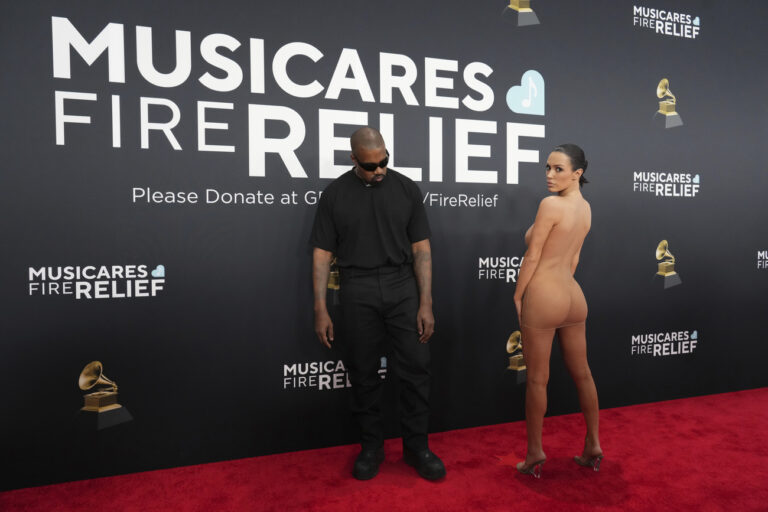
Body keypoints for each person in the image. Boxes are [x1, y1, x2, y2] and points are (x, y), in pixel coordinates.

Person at [310, 127, 446, 481]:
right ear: (354, 159)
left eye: (384, 161)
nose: (380, 170)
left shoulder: (406, 189)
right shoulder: (335, 195)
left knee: (416, 368)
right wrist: (320, 308)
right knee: (363, 372)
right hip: (357, 289)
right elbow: (322, 255)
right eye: (371, 166)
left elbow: (421, 249)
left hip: (403, 287)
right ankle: (371, 447)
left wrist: (425, 302)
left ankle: (417, 448)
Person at [513, 144, 603, 478]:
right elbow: (574, 258)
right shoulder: (587, 209)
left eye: (558, 169)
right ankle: (593, 443)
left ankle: (534, 453)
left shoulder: (550, 205)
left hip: (545, 293)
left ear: (577, 173)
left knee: (537, 379)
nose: (550, 175)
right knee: (583, 374)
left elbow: (533, 256)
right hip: (572, 294)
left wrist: (519, 294)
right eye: (547, 168)